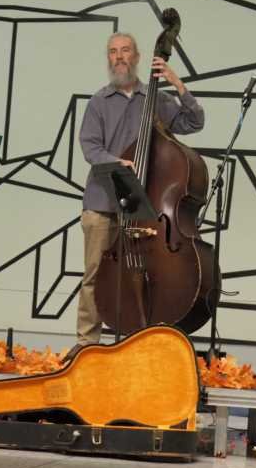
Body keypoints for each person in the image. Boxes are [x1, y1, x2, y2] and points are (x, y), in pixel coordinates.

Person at [75, 32, 205, 345]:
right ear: (109, 59)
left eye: (125, 50)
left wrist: (177, 84)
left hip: (146, 209)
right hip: (103, 202)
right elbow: (90, 147)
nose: (119, 56)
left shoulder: (157, 99)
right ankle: (86, 344)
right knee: (95, 275)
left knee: (150, 272)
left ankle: (140, 341)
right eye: (113, 52)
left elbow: (194, 122)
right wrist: (119, 163)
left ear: (137, 57)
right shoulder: (98, 101)